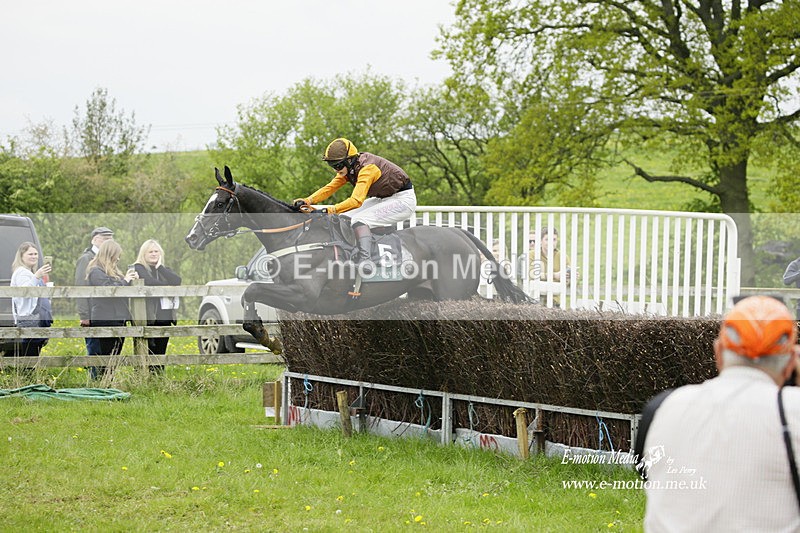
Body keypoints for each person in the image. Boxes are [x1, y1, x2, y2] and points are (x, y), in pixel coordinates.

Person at [636, 295, 800, 532]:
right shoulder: (793, 410)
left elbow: (646, 472)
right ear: (791, 362)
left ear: (719, 352)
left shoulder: (662, 408)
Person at [292, 138, 417, 267]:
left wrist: (327, 210)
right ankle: (353, 252)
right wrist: (308, 200)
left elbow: (356, 201)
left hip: (403, 200)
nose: (336, 170)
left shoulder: (368, 169)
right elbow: (330, 188)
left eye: (338, 165)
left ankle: (366, 260)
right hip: (384, 198)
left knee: (359, 220)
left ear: (350, 160)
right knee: (344, 218)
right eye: (333, 166)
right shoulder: (351, 167)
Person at [86, 240, 138, 369]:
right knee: (104, 356)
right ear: (109, 254)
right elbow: (109, 290)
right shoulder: (96, 271)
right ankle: (101, 383)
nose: (118, 258)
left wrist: (131, 281)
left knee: (114, 356)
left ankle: (108, 383)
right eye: (116, 255)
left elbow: (121, 289)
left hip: (119, 317)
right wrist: (125, 280)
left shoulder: (115, 272)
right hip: (105, 318)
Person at [133, 239, 182, 372]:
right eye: (150, 251)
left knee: (160, 351)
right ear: (144, 253)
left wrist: (160, 267)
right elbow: (149, 282)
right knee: (147, 350)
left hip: (165, 316)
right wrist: (168, 287)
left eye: (156, 251)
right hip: (147, 317)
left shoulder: (163, 269)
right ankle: (143, 378)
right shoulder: (138, 267)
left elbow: (177, 281)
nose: (154, 254)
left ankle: (158, 380)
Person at [74, 227, 114, 358]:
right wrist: (84, 315)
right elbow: (80, 288)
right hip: (92, 313)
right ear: (95, 240)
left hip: (106, 313)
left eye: (110, 239)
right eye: (105, 239)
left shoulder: (109, 260)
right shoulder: (86, 259)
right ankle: (95, 378)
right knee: (94, 352)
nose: (109, 242)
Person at [10, 242, 52, 357]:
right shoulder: (21, 272)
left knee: (34, 348)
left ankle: (30, 373)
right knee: (30, 349)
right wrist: (37, 276)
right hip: (28, 317)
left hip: (35, 316)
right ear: (22, 256)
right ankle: (28, 374)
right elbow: (25, 292)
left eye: (35, 254)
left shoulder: (29, 272)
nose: (34, 256)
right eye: (30, 254)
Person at [528, 227, 574, 307]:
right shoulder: (532, 254)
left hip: (555, 301)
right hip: (535, 300)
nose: (551, 242)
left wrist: (570, 277)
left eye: (554, 239)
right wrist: (555, 275)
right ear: (541, 241)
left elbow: (568, 284)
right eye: (547, 239)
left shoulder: (563, 257)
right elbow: (532, 274)